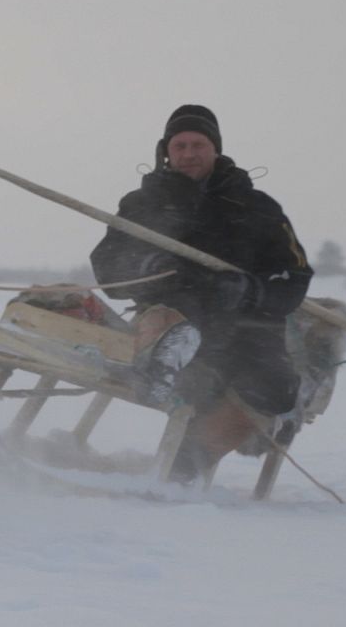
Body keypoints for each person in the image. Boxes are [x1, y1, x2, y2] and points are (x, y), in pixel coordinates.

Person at [89, 105, 314, 483]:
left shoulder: (260, 209)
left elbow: (295, 277)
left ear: (216, 149)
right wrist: (147, 269)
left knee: (275, 391)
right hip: (170, 316)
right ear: (166, 152)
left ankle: (183, 467)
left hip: (248, 328)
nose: (189, 153)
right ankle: (159, 370)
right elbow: (107, 267)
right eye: (180, 146)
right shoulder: (142, 204)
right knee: (173, 342)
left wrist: (249, 290)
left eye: (198, 144)